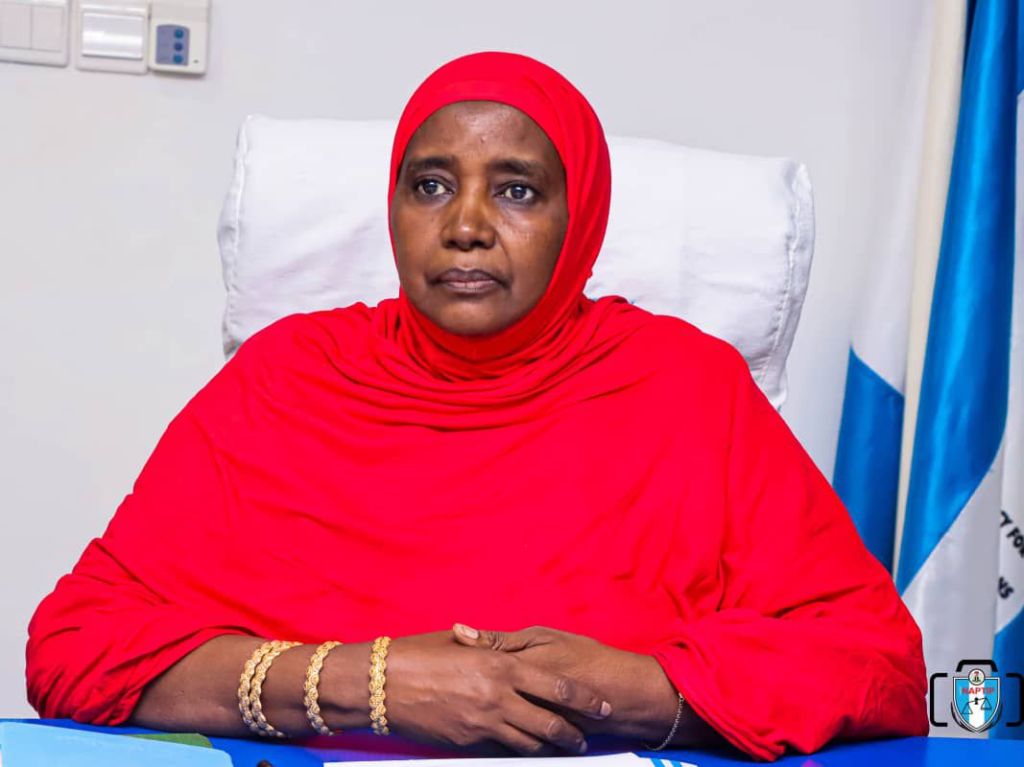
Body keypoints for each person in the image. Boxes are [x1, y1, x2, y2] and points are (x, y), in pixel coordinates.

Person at [25, 52, 928, 761]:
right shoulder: (286, 379)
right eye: (430, 185)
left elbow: (876, 662)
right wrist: (375, 684)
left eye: (516, 189)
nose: (464, 226)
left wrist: (631, 688)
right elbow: (75, 646)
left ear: (581, 216)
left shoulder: (688, 387)